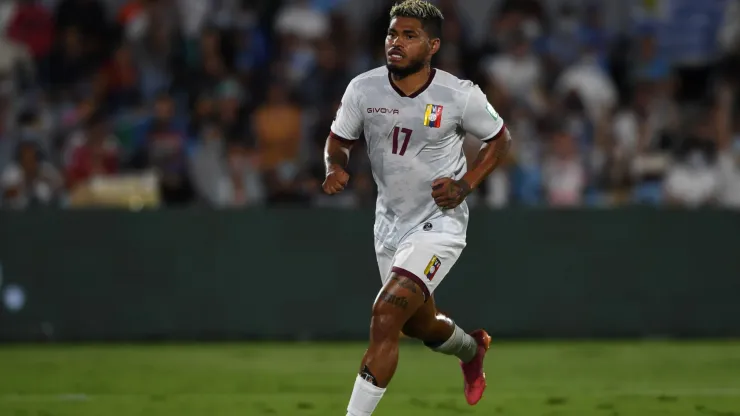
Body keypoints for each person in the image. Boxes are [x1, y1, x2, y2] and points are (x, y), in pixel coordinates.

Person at [321, 1, 513, 414]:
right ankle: (471, 348)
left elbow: (501, 140)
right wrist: (335, 166)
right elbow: (338, 140)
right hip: (389, 224)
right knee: (417, 324)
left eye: (410, 36)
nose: (396, 42)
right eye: (392, 34)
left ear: (433, 46)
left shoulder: (459, 95)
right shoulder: (363, 89)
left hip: (439, 222)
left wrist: (465, 185)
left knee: (385, 316)